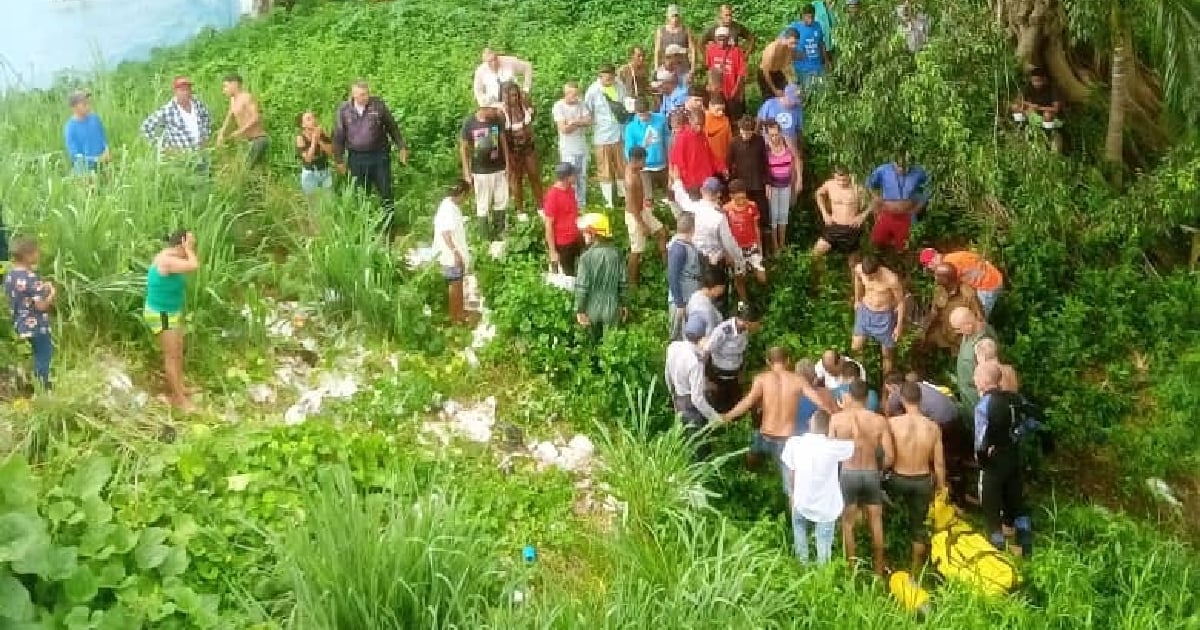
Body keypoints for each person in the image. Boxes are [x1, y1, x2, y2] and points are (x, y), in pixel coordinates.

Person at [723, 347, 831, 482]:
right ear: (788, 361)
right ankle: (789, 498)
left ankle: (749, 476)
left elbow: (748, 401)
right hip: (786, 438)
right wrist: (836, 413)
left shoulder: (761, 379)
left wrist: (727, 416)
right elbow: (819, 401)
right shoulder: (798, 380)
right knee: (790, 481)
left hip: (766, 434)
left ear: (768, 362)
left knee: (753, 454)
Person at [828, 380, 895, 576]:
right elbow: (890, 456)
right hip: (871, 472)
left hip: (848, 473)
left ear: (849, 394)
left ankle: (851, 569)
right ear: (867, 398)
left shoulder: (836, 419)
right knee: (876, 520)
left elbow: (831, 451)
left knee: (847, 523)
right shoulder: (879, 420)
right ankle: (878, 569)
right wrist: (879, 470)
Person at [332, 81, 410, 238]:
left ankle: (389, 231)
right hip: (356, 158)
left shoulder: (378, 105)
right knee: (360, 194)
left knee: (385, 191)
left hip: (379, 156)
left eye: (366, 94)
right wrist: (339, 160)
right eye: (361, 95)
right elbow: (338, 135)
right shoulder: (344, 110)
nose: (365, 97)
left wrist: (402, 146)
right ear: (353, 95)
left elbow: (392, 127)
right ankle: (364, 230)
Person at [781, 409, 856, 565]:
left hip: (801, 500)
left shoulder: (795, 443)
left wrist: (793, 494)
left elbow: (790, 473)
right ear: (828, 428)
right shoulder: (834, 447)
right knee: (824, 543)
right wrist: (853, 420)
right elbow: (856, 444)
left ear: (810, 424)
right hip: (826, 506)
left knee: (799, 529)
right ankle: (823, 577)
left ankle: (802, 565)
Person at [974, 362, 1032, 557]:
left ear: (983, 381)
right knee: (1016, 503)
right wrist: (1016, 436)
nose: (974, 380)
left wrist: (982, 460)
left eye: (976, 376)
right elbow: (1031, 422)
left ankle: (998, 555)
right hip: (1013, 457)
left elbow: (981, 441)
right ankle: (1026, 547)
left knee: (991, 509)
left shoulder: (984, 405)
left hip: (994, 462)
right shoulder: (1016, 399)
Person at [889, 381, 947, 569]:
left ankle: (892, 559)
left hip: (898, 478)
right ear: (920, 400)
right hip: (922, 480)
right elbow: (938, 463)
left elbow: (886, 456)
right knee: (919, 526)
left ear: (902, 399)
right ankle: (916, 570)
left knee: (888, 514)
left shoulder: (892, 424)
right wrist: (941, 487)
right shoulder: (933, 427)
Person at [145, 230, 200, 411]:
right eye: (190, 244)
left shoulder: (172, 258)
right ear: (180, 245)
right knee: (171, 355)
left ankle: (180, 389)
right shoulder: (166, 260)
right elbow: (194, 265)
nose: (193, 248)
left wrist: (188, 248)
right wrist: (189, 248)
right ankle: (178, 399)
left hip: (171, 312)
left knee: (178, 351)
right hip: (161, 313)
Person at [666, 317, 723, 460]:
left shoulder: (673, 347)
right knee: (696, 441)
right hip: (690, 403)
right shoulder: (695, 361)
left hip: (678, 396)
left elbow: (667, 374)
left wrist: (672, 396)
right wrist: (715, 417)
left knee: (684, 433)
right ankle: (701, 467)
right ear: (702, 336)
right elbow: (697, 398)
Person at [672, 177, 744, 286]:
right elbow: (729, 242)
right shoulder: (719, 217)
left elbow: (682, 198)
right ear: (718, 194)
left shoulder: (693, 207)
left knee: (700, 289)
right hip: (713, 261)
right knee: (717, 292)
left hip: (694, 257)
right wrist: (739, 260)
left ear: (701, 191)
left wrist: (677, 181)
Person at [4, 238, 56, 390]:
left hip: (20, 323)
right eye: (36, 252)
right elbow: (40, 306)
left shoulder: (10, 276)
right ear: (27, 256)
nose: (38, 255)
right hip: (37, 325)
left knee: (31, 355)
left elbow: (22, 296)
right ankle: (42, 389)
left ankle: (27, 384)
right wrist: (51, 293)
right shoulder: (31, 277)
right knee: (44, 355)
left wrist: (41, 288)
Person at [583, 65, 631, 209]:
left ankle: (624, 196)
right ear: (600, 76)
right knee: (605, 168)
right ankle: (608, 201)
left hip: (619, 133)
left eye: (612, 77)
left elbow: (625, 103)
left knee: (622, 165)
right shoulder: (592, 91)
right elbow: (587, 111)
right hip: (602, 135)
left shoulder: (620, 86)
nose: (610, 80)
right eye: (607, 78)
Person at [460, 105, 510, 241]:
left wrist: (507, 164)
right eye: (493, 109)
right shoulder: (469, 123)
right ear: (484, 108)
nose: (496, 112)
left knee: (501, 200)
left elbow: (503, 142)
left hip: (498, 168)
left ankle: (500, 234)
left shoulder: (496, 121)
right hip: (480, 171)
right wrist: (466, 171)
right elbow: (463, 148)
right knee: (483, 204)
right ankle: (485, 239)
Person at [574, 213, 626, 341]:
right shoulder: (616, 255)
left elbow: (582, 288)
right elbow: (623, 283)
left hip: (591, 309)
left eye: (585, 232)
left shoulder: (585, 258)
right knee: (611, 347)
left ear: (593, 233)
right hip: (612, 307)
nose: (583, 235)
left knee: (592, 347)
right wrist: (624, 304)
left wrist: (579, 309)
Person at [852, 255, 906, 376]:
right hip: (865, 311)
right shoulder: (860, 269)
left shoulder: (891, 279)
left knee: (887, 354)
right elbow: (858, 279)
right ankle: (860, 375)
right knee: (856, 346)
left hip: (884, 316)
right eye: (867, 276)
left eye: (871, 276)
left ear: (878, 270)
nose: (869, 279)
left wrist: (899, 326)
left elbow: (901, 302)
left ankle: (886, 383)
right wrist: (857, 299)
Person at [866, 155, 929, 253]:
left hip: (908, 215)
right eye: (898, 166)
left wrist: (920, 204)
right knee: (877, 241)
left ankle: (902, 261)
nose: (902, 169)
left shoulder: (919, 171)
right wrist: (875, 197)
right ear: (893, 163)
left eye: (906, 166)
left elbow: (930, 186)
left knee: (905, 247)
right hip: (887, 213)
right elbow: (869, 183)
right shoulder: (883, 170)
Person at [623, 147, 666, 286]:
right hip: (635, 216)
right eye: (644, 160)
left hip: (642, 210)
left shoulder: (634, 169)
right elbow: (631, 204)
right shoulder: (631, 179)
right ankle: (632, 283)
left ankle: (665, 267)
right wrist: (641, 224)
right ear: (636, 160)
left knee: (661, 232)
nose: (645, 162)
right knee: (637, 251)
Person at [919, 247, 1004, 317]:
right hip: (995, 274)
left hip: (989, 286)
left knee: (979, 317)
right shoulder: (953, 256)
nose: (931, 269)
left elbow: (951, 291)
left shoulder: (948, 267)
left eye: (929, 266)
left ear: (931, 263)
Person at [707, 304, 761, 413]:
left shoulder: (744, 330)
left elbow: (742, 351)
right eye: (750, 323)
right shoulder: (723, 331)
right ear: (740, 319)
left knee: (736, 402)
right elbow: (709, 348)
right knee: (720, 402)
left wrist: (741, 370)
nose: (753, 326)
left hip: (735, 373)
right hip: (720, 374)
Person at [919, 263, 983, 355]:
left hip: (961, 338)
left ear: (946, 279)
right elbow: (934, 313)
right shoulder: (939, 290)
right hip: (943, 332)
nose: (935, 277)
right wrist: (923, 331)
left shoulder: (967, 294)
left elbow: (980, 319)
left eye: (937, 275)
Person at [813, 165, 869, 270]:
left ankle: (855, 285)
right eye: (839, 180)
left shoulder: (857, 187)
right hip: (833, 226)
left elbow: (875, 201)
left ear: (850, 176)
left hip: (851, 228)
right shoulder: (829, 184)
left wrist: (862, 216)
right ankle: (821, 280)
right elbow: (818, 194)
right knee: (816, 254)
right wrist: (824, 213)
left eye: (844, 180)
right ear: (834, 176)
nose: (842, 183)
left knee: (854, 265)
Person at [501, 83, 545, 217]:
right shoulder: (502, 113)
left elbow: (533, 115)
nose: (513, 98)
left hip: (528, 147)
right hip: (513, 150)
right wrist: (507, 158)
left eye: (515, 95)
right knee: (517, 179)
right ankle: (520, 210)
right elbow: (501, 137)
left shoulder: (524, 105)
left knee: (534, 175)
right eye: (510, 95)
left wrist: (530, 107)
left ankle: (540, 207)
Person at [140, 76, 212, 157]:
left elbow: (206, 118)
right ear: (175, 91)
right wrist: (165, 148)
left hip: (201, 152)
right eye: (182, 90)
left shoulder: (198, 104)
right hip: (182, 158)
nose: (186, 93)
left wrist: (205, 137)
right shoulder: (167, 110)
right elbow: (146, 128)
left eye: (188, 89)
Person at [433, 180, 472, 324]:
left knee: (458, 282)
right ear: (462, 194)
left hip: (453, 253)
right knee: (454, 284)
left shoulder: (448, 204)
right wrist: (456, 252)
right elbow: (446, 233)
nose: (466, 200)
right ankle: (455, 316)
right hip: (450, 255)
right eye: (466, 196)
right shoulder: (448, 209)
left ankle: (460, 311)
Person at [763, 120, 803, 252]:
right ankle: (775, 246)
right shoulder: (766, 147)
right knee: (773, 215)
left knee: (783, 215)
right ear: (767, 135)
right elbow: (762, 167)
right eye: (771, 135)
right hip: (773, 186)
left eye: (776, 134)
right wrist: (766, 185)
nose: (774, 137)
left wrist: (799, 179)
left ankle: (783, 243)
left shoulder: (787, 142)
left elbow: (797, 158)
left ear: (780, 132)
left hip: (786, 184)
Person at [723, 179, 766, 301]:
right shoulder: (726, 210)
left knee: (762, 277)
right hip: (736, 249)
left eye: (743, 197)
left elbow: (756, 227)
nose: (742, 201)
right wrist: (727, 254)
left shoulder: (752, 206)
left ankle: (762, 298)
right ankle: (744, 302)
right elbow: (724, 234)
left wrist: (760, 247)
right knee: (739, 277)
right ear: (731, 196)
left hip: (752, 246)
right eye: (738, 199)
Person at [950, 306, 996, 416]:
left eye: (958, 329)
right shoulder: (970, 333)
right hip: (967, 392)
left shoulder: (984, 345)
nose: (957, 332)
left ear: (968, 325)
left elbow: (990, 376)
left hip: (976, 397)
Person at [215, 74, 269, 167]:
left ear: (234, 84)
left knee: (244, 167)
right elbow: (229, 116)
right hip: (246, 141)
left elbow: (256, 117)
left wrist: (240, 131)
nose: (224, 90)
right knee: (246, 167)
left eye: (226, 86)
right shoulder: (233, 100)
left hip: (257, 139)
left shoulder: (247, 97)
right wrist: (221, 133)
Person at [551, 82, 592, 205]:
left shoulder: (581, 104)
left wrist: (573, 122)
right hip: (568, 149)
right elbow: (564, 129)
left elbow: (589, 120)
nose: (577, 97)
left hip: (582, 146)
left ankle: (581, 203)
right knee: (570, 177)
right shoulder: (558, 106)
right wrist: (579, 122)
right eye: (574, 95)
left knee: (582, 176)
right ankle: (570, 202)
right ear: (566, 94)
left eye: (577, 94)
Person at [542, 163, 584, 276]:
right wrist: (552, 251)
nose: (576, 176)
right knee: (568, 274)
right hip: (563, 243)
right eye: (573, 174)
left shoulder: (570, 189)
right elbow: (548, 225)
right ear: (567, 178)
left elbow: (573, 211)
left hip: (576, 237)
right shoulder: (553, 196)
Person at [624, 98, 670, 199]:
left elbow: (667, 138)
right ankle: (648, 214)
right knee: (647, 197)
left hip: (663, 163)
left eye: (646, 114)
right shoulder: (630, 128)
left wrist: (670, 157)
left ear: (650, 110)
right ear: (636, 113)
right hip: (644, 167)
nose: (644, 118)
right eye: (640, 115)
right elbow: (629, 149)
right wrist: (634, 167)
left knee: (670, 193)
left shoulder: (661, 119)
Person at [667, 213, 702, 340]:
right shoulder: (679, 248)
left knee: (689, 335)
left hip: (689, 297)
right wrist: (679, 303)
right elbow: (672, 276)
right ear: (692, 228)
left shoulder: (686, 244)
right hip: (682, 301)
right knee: (679, 338)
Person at [1011, 67, 1063, 152]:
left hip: (1048, 113)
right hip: (1033, 112)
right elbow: (1018, 100)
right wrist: (1030, 106)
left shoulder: (1053, 89)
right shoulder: (1029, 86)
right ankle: (1020, 130)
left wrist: (1039, 108)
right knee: (1015, 107)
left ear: (1044, 80)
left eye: (1038, 81)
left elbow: (1056, 108)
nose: (1036, 83)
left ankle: (1048, 136)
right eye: (1034, 81)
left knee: (1047, 114)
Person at [669, 110, 720, 197]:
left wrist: (721, 167)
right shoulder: (682, 137)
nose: (699, 128)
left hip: (705, 180)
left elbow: (709, 155)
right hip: (691, 182)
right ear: (690, 121)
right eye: (697, 124)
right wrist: (677, 181)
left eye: (702, 125)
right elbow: (676, 162)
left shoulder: (702, 135)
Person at [705, 28, 748, 120]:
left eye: (724, 39)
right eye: (719, 39)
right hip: (717, 90)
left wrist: (736, 90)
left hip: (731, 89)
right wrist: (711, 85)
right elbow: (709, 69)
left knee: (733, 118)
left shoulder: (736, 51)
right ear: (715, 39)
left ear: (728, 38)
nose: (721, 41)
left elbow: (741, 73)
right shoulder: (711, 50)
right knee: (718, 116)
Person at [64, 90, 110, 175]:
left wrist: (107, 150)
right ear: (74, 108)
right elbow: (75, 155)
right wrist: (96, 159)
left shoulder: (95, 119)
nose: (88, 106)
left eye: (88, 103)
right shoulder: (70, 128)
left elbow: (103, 138)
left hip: (103, 164)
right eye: (84, 104)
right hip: (85, 170)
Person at [788, 4, 831, 91]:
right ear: (803, 16)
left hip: (818, 66)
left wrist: (826, 60)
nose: (810, 20)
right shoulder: (795, 27)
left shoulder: (817, 25)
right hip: (803, 68)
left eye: (812, 17)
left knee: (824, 90)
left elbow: (821, 43)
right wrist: (793, 57)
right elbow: (786, 44)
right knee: (808, 93)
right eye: (808, 17)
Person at [794, 359, 838, 435]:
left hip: (797, 438)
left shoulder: (792, 395)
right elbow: (836, 416)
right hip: (822, 437)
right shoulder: (826, 393)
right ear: (814, 375)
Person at [295, 111, 334, 196]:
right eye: (309, 119)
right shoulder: (300, 138)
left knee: (329, 201)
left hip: (325, 171)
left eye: (313, 118)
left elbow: (331, 153)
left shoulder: (322, 133)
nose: (313, 120)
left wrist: (320, 140)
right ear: (303, 125)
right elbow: (308, 159)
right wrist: (314, 141)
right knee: (314, 204)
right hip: (310, 173)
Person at [654, 5, 698, 77]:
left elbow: (692, 50)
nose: (674, 18)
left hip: (683, 67)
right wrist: (656, 68)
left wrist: (692, 69)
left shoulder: (686, 30)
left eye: (676, 15)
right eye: (672, 16)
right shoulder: (661, 31)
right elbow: (657, 51)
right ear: (668, 16)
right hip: (666, 68)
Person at [757, 84, 805, 152]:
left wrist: (800, 150)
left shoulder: (798, 108)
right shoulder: (770, 104)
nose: (794, 103)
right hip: (771, 147)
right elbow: (759, 120)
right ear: (785, 95)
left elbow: (799, 130)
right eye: (792, 100)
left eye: (796, 100)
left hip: (790, 148)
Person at [758, 29, 800, 100]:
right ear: (785, 39)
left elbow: (787, 67)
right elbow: (765, 72)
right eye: (792, 43)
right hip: (765, 74)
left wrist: (792, 82)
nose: (794, 46)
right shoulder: (772, 50)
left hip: (778, 72)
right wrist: (775, 90)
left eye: (796, 43)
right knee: (771, 98)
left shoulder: (790, 48)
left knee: (788, 93)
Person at [685, 268, 726, 337]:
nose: (723, 290)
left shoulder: (695, 295)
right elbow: (710, 333)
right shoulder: (706, 308)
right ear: (717, 287)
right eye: (723, 287)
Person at [703, 96, 734, 170]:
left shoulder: (725, 120)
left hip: (722, 159)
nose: (720, 113)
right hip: (707, 160)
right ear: (710, 106)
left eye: (722, 110)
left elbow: (729, 141)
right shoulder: (703, 119)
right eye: (718, 110)